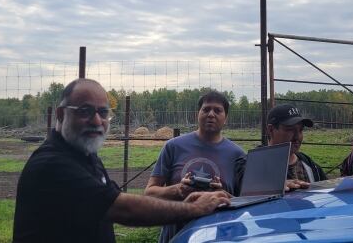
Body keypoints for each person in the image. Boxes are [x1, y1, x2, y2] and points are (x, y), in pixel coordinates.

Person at [12, 79, 230, 243]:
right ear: (60, 114)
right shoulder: (51, 164)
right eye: (85, 111)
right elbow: (122, 208)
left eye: (103, 112)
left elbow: (114, 198)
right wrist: (194, 208)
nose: (97, 120)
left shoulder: (85, 156)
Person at [145, 90, 245, 243]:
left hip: (222, 236)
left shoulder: (238, 155)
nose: (211, 114)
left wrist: (221, 194)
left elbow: (246, 203)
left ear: (226, 118)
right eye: (206, 109)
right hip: (176, 235)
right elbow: (150, 193)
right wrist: (178, 190)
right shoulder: (173, 146)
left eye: (218, 110)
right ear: (197, 114)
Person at [233, 104, 326, 194]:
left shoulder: (308, 164)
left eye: (301, 130)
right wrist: (274, 187)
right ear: (270, 130)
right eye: (290, 129)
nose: (297, 136)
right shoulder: (251, 163)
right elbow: (245, 187)